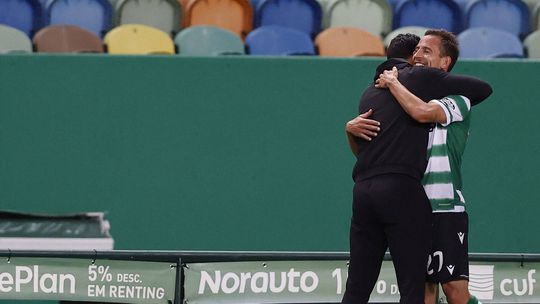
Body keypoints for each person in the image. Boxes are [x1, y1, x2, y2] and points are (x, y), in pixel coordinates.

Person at [343, 32, 492, 304]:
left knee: (454, 290)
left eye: (426, 51)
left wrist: (393, 82)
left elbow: (422, 112)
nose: (418, 56)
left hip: (444, 204)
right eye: (417, 50)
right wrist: (350, 129)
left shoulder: (457, 99)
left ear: (445, 62)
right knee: (423, 290)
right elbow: (371, 153)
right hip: (412, 202)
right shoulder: (402, 94)